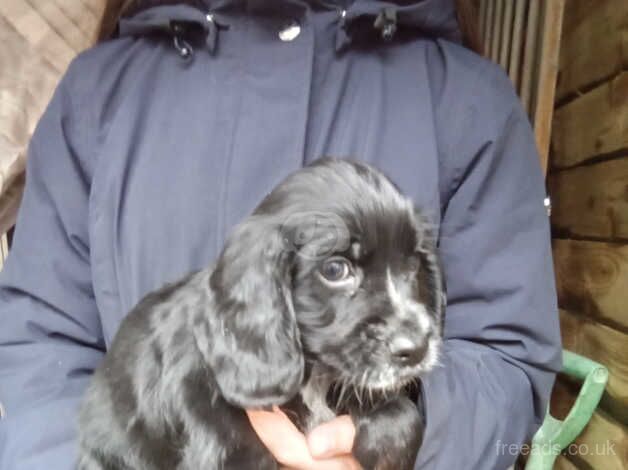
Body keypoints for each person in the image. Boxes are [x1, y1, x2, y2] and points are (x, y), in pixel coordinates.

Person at [0, 0, 562, 468]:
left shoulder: (469, 99)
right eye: (340, 268)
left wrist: (412, 434)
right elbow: (41, 345)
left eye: (411, 265)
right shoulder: (96, 92)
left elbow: (507, 357)